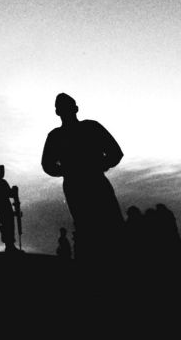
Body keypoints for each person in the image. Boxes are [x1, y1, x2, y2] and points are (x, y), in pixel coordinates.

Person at [41, 93, 124, 262]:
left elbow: (116, 153)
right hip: (80, 185)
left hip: (89, 183)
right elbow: (47, 165)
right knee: (92, 230)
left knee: (101, 229)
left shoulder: (86, 129)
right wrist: (70, 170)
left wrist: (97, 166)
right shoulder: (60, 135)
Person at [0, 165, 18, 252]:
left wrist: (13, 191)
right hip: (1, 203)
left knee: (9, 223)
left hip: (4, 202)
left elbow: (9, 194)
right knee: (5, 223)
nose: (3, 174)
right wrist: (13, 191)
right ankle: (9, 246)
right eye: (2, 172)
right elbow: (7, 193)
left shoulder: (2, 181)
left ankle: (10, 245)